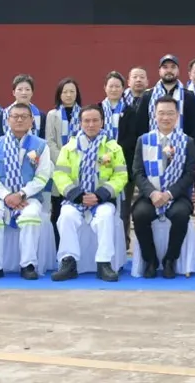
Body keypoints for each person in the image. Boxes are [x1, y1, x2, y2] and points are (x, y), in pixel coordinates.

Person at [52, 105, 127, 282]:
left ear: (102, 122)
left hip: (102, 200)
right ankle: (69, 262)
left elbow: (121, 176)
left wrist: (100, 195)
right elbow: (60, 175)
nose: (91, 124)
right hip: (75, 200)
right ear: (80, 123)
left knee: (106, 216)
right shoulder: (69, 148)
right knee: (66, 216)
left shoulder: (113, 148)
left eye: (95, 120)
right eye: (86, 121)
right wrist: (77, 195)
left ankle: (103, 263)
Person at [0, 102, 55, 280]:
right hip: (0, 198)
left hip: (29, 197)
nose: (19, 120)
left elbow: (42, 176)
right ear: (8, 120)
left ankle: (28, 265)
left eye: (24, 117)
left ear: (31, 121)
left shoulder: (41, 145)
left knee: (31, 216)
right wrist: (7, 196)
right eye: (15, 116)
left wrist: (21, 194)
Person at [131, 97, 195, 278]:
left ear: (177, 116)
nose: (166, 118)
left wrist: (169, 194)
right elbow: (137, 172)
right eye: (161, 113)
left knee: (180, 214)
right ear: (155, 115)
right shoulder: (144, 140)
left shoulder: (187, 141)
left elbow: (189, 174)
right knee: (140, 214)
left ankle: (170, 259)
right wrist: (152, 193)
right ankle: (150, 260)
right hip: (150, 194)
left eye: (170, 113)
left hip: (177, 195)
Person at [45, 77, 84, 238]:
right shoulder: (52, 115)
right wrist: (64, 160)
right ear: (59, 94)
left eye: (72, 91)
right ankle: (57, 244)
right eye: (65, 92)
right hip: (59, 168)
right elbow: (50, 141)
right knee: (57, 208)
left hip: (80, 168)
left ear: (77, 94)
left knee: (76, 207)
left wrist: (76, 161)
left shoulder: (84, 113)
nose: (68, 95)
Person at [99, 71, 127, 142]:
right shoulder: (98, 109)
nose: (114, 90)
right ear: (105, 88)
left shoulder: (129, 110)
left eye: (117, 86)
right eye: (111, 86)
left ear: (123, 89)